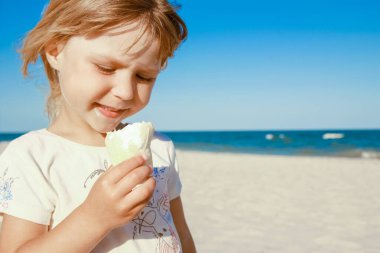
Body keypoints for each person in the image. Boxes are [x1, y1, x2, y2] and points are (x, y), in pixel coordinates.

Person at [0, 0, 196, 252]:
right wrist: (93, 219)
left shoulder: (159, 147)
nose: (125, 92)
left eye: (144, 76)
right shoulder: (32, 157)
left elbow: (182, 237)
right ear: (56, 52)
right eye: (106, 68)